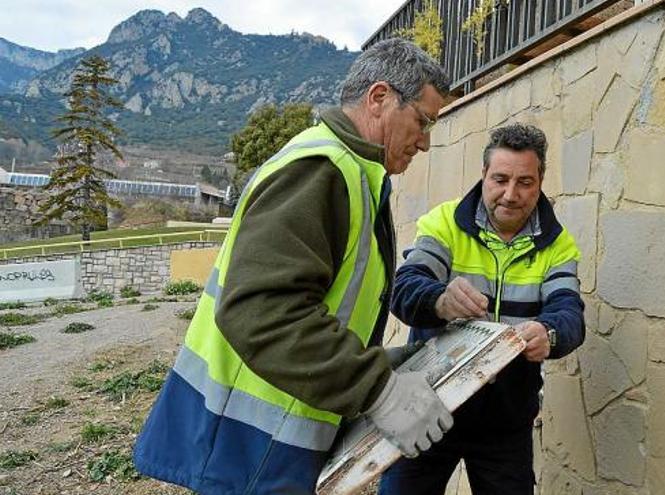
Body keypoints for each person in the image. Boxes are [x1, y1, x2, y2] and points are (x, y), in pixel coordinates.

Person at [133, 38, 454, 495]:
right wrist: (376, 388)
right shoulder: (322, 170)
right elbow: (262, 311)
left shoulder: (352, 174)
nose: (424, 142)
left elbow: (320, 306)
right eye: (422, 121)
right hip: (249, 449)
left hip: (269, 444)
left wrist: (378, 364)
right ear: (379, 97)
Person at [379, 123, 586, 495]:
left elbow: (570, 314)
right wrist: (439, 300)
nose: (510, 195)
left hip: (506, 423)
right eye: (501, 179)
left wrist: (549, 333)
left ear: (540, 181)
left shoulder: (559, 245)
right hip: (427, 412)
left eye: (525, 182)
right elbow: (404, 289)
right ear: (484, 176)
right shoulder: (444, 223)